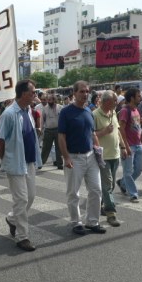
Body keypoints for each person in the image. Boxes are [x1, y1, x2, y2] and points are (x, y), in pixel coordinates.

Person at [0, 79, 42, 251]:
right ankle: (22, 237)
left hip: (29, 161)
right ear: (23, 93)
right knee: (21, 199)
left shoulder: (28, 110)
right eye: (32, 92)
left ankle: (12, 219)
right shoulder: (9, 114)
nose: (35, 95)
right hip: (15, 163)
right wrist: (5, 159)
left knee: (30, 196)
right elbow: (0, 141)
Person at [58, 80, 106, 235]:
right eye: (82, 92)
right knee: (73, 192)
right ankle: (76, 222)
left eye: (87, 92)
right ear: (74, 93)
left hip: (91, 157)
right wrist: (66, 158)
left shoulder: (88, 112)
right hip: (74, 157)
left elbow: (92, 134)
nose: (85, 94)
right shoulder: (66, 112)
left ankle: (92, 221)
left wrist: (98, 152)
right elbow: (61, 137)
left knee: (96, 190)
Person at [93, 90, 126, 227]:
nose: (116, 103)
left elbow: (117, 131)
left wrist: (123, 147)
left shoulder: (113, 113)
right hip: (103, 156)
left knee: (110, 185)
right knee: (107, 186)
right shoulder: (94, 114)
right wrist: (104, 131)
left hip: (115, 154)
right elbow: (91, 134)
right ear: (107, 101)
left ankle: (100, 204)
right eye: (114, 101)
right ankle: (111, 213)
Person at [117, 88, 142, 202]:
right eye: (138, 96)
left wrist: (141, 140)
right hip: (129, 146)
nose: (140, 98)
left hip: (138, 145)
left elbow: (138, 125)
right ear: (132, 98)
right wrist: (125, 146)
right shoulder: (125, 111)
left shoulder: (136, 110)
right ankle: (133, 194)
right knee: (128, 171)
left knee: (138, 169)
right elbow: (121, 129)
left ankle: (122, 183)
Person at [41, 94, 63, 170]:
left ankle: (59, 164)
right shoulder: (45, 108)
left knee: (59, 148)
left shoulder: (60, 107)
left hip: (58, 130)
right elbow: (42, 120)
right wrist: (42, 129)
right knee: (45, 148)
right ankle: (41, 163)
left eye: (50, 100)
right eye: (48, 100)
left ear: (54, 100)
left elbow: (63, 119)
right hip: (48, 130)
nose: (49, 101)